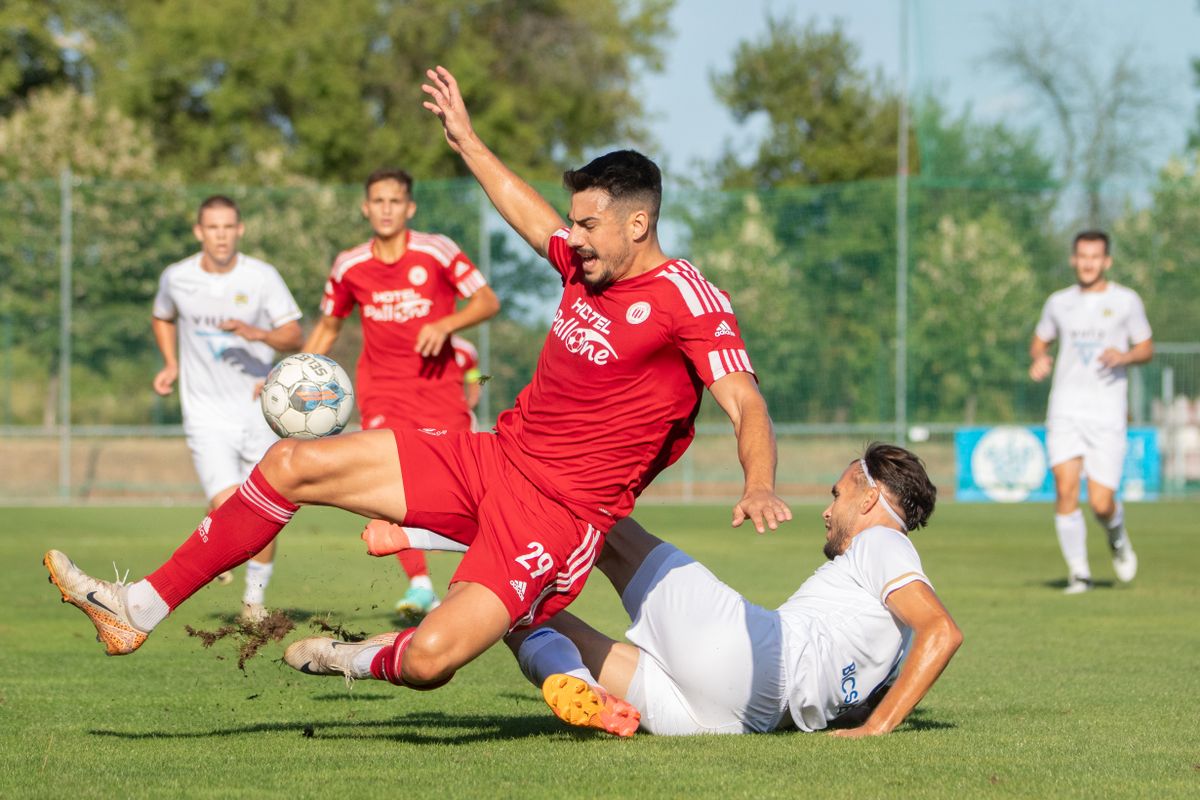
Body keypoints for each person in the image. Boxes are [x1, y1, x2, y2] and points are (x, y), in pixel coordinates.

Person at [44, 66, 789, 700]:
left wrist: (758, 482)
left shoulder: (689, 300)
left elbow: (744, 400)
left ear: (637, 225)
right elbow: (532, 220)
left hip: (557, 518)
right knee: (290, 463)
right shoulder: (585, 264)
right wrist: (466, 140)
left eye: (590, 225)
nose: (575, 238)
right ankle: (136, 606)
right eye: (575, 224)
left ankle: (349, 656)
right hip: (492, 458)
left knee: (430, 660)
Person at [355, 444, 961, 738]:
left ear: (868, 495)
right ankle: (584, 689)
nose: (827, 511)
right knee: (520, 613)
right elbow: (860, 683)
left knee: (598, 515)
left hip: (752, 655)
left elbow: (945, 629)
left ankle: (428, 531)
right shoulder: (893, 639)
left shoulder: (883, 544)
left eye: (835, 495)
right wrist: (866, 718)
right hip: (736, 721)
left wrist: (877, 731)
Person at [302, 167, 500, 619]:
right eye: (378, 201)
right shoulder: (349, 265)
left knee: (463, 490)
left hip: (441, 393)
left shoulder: (436, 251)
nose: (386, 209)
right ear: (365, 207)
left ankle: (488, 578)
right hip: (382, 393)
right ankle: (420, 585)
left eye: (395, 201)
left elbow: (487, 300)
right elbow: (329, 326)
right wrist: (294, 374)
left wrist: (445, 323)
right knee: (387, 485)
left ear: (409, 208)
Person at [150, 195, 303, 621]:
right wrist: (170, 363)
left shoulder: (262, 277)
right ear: (199, 232)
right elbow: (161, 316)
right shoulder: (176, 277)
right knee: (239, 502)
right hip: (204, 413)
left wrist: (257, 333)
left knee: (266, 506)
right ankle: (219, 533)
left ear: (240, 230)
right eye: (212, 227)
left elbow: (293, 336)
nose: (221, 235)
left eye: (228, 227)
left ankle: (253, 602)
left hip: (259, 410)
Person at [1029, 230, 1153, 594]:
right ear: (1073, 259)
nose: (1087, 263)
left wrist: (1125, 355)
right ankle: (1079, 573)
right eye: (1082, 256)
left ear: (1107, 261)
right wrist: (1039, 359)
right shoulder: (1058, 303)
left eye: (1095, 257)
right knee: (1065, 489)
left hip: (1107, 413)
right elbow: (1040, 340)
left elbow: (1146, 347)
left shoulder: (1127, 301)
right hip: (1065, 410)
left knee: (1100, 503)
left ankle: (1116, 533)